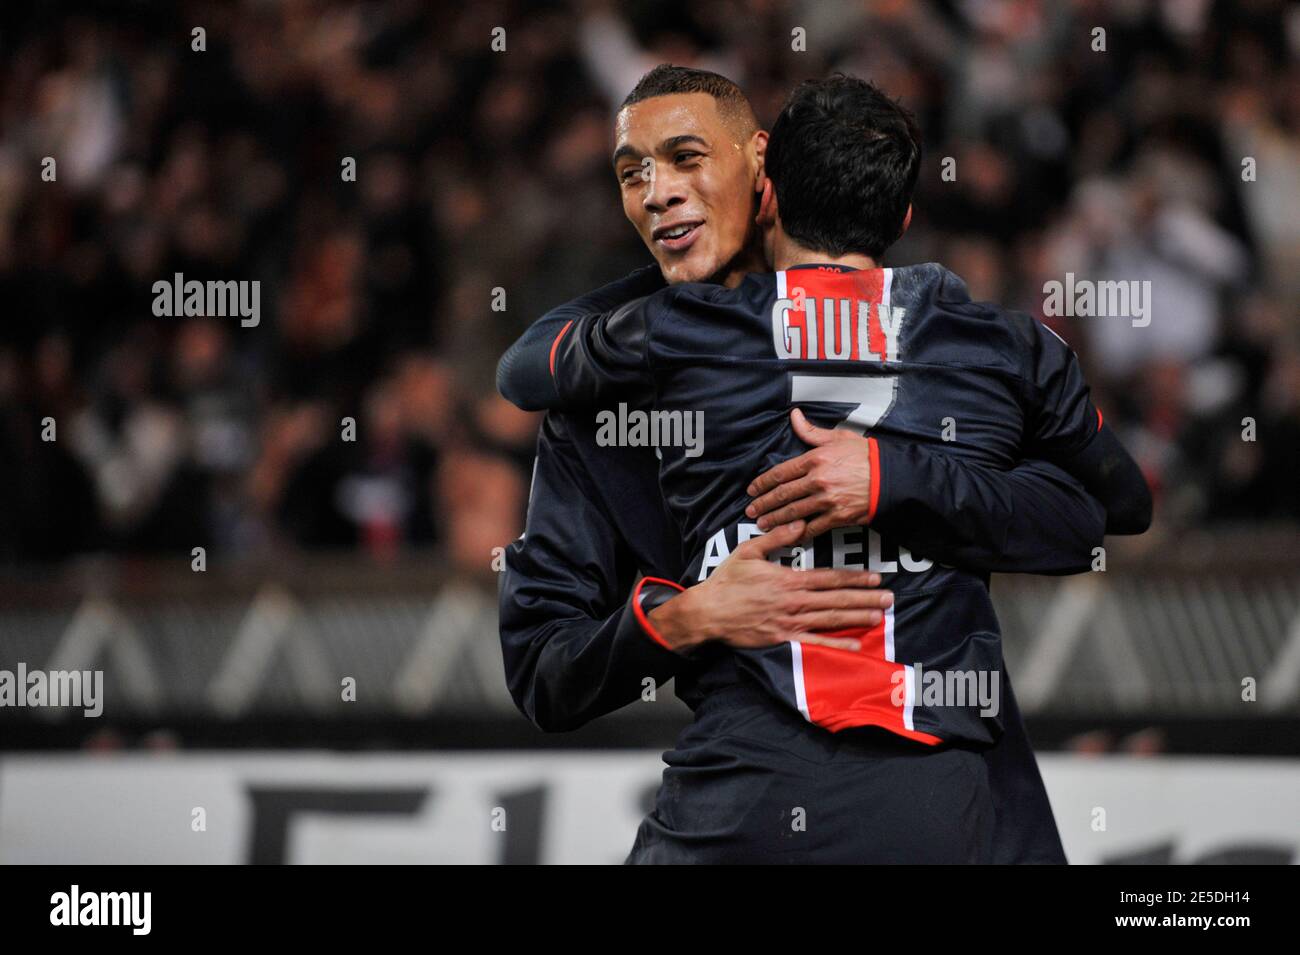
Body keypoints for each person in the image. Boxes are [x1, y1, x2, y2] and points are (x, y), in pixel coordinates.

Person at [498, 66, 1143, 862]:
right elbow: (543, 674)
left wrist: (893, 481)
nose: (659, 192)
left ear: (760, 170)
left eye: (687, 157)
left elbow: (1088, 520)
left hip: (892, 795)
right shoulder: (603, 402)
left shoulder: (954, 345)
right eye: (633, 174)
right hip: (806, 792)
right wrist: (691, 615)